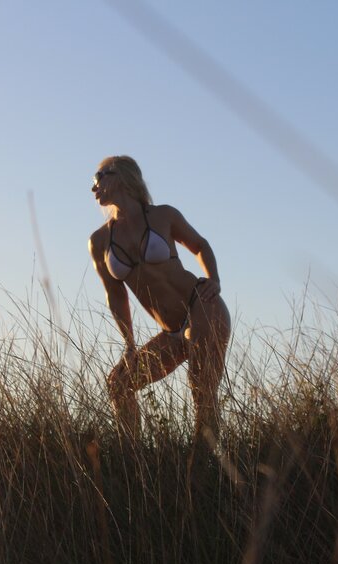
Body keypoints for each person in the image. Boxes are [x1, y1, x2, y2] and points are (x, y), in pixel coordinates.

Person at [88, 155, 231, 445]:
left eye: (98, 177)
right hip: (171, 331)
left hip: (202, 306)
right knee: (119, 383)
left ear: (122, 175)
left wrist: (214, 280)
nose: (94, 188)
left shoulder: (164, 216)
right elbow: (116, 296)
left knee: (201, 387)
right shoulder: (100, 241)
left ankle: (207, 465)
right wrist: (129, 344)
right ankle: (132, 460)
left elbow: (200, 245)